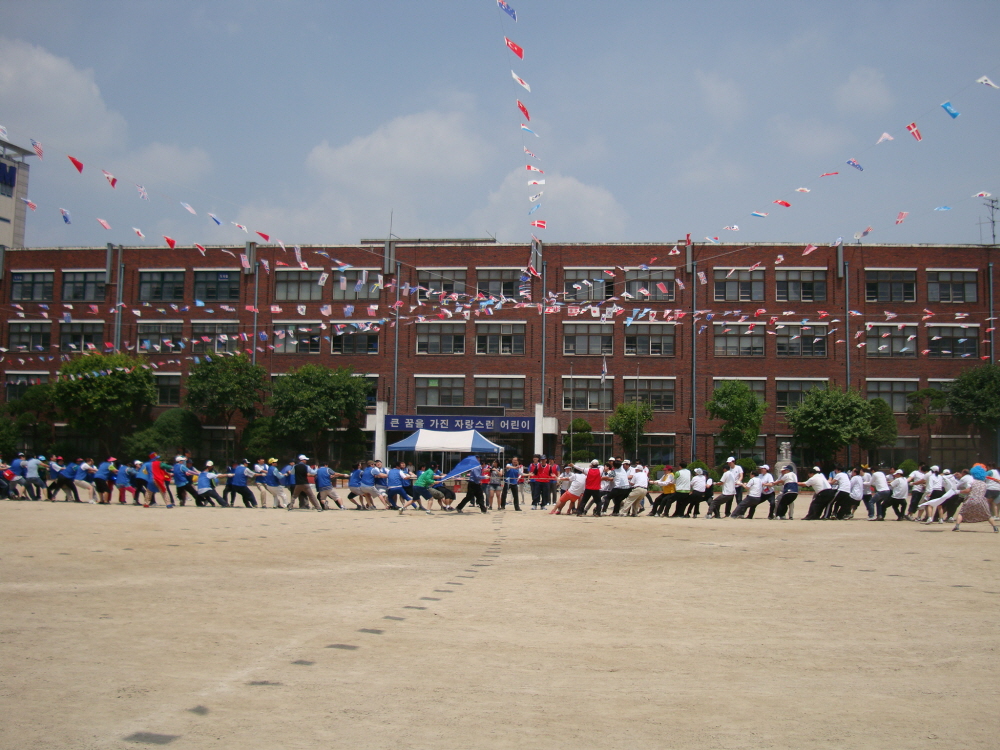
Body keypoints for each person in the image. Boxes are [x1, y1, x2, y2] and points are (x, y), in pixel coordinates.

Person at [952, 465, 999, 532]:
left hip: (971, 499)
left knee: (961, 513)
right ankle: (995, 528)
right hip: (981, 500)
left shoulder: (972, 482)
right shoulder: (984, 484)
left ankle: (957, 527)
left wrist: (959, 491)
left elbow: (968, 490)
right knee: (988, 515)